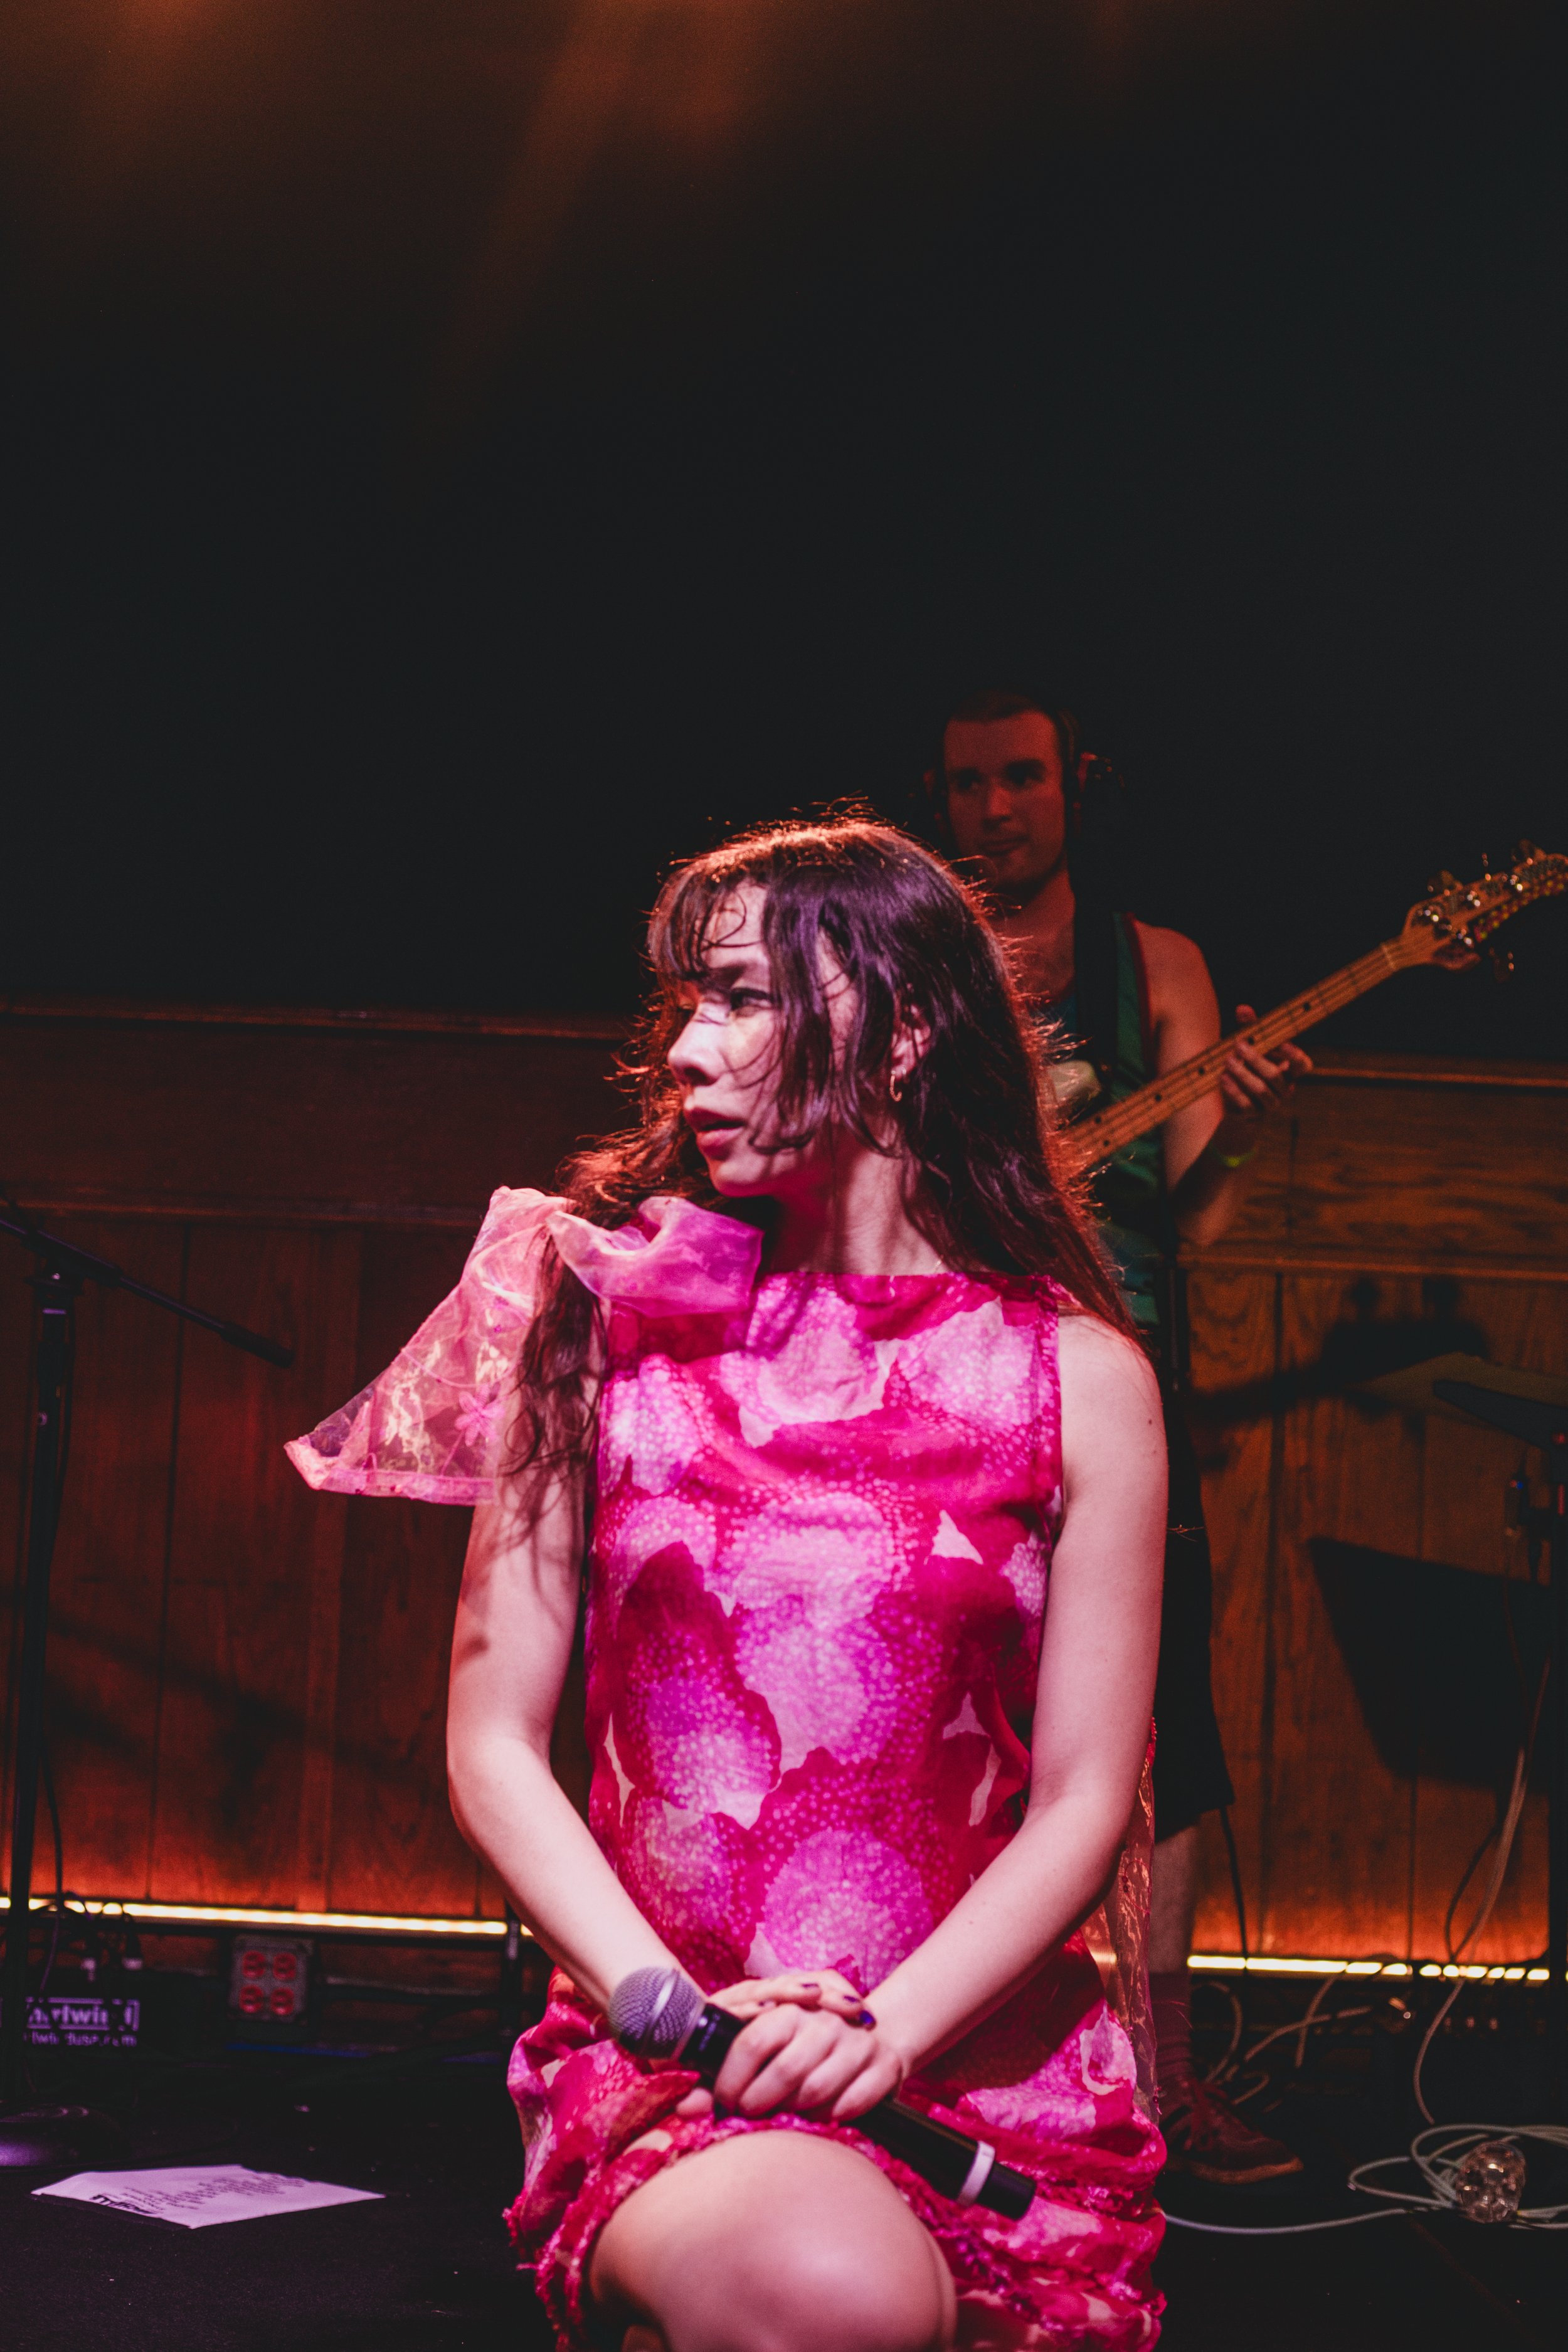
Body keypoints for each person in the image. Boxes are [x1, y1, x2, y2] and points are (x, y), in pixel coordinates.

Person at [289, 819, 1169, 2352]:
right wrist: (667, 2010)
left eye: (743, 1000)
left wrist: (879, 2038)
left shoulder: (1077, 1378)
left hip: (972, 2070)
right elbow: (491, 1744)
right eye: (685, 1006)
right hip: (678, 2053)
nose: (688, 1052)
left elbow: (1085, 1799)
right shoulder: (598, 1328)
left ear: (902, 1030)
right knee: (825, 2295)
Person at [930, 690, 1310, 2187]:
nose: (993, 809)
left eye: (1019, 777)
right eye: (967, 784)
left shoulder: (1157, 967)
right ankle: (954, 2064)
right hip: (946, 1389)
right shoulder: (920, 959)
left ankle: (1157, 2081)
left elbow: (1194, 1220)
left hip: (1118, 1396)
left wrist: (1244, 1121)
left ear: (1074, 783)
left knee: (1168, 1743)